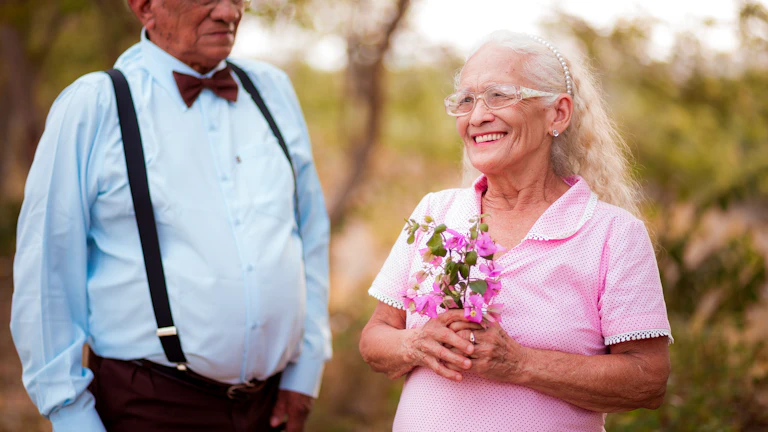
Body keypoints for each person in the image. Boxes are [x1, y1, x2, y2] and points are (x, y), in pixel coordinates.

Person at [10, 0, 331, 431]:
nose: (228, 12)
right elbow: (46, 269)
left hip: (269, 404)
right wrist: (70, 414)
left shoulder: (272, 90)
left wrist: (305, 369)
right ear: (144, 6)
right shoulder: (94, 105)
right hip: (148, 404)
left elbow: (308, 232)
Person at [359, 30, 672, 431]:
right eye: (466, 100)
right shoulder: (436, 212)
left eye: (499, 95)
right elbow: (375, 338)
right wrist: (415, 344)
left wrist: (520, 363)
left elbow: (647, 381)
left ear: (557, 113)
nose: (476, 117)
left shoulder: (613, 234)